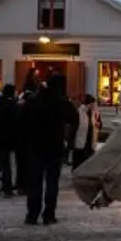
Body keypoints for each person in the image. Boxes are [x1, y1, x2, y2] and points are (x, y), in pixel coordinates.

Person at [22, 74, 79, 225]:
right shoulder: (61, 101)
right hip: (54, 145)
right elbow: (74, 118)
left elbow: (22, 119)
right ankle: (49, 214)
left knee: (35, 181)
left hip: (35, 145)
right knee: (52, 181)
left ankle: (32, 214)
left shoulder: (34, 100)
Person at [72, 95, 100, 170]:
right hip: (81, 139)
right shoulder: (80, 112)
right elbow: (74, 126)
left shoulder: (94, 113)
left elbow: (98, 123)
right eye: (93, 104)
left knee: (88, 161)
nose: (95, 106)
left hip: (90, 141)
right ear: (89, 103)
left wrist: (98, 124)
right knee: (79, 159)